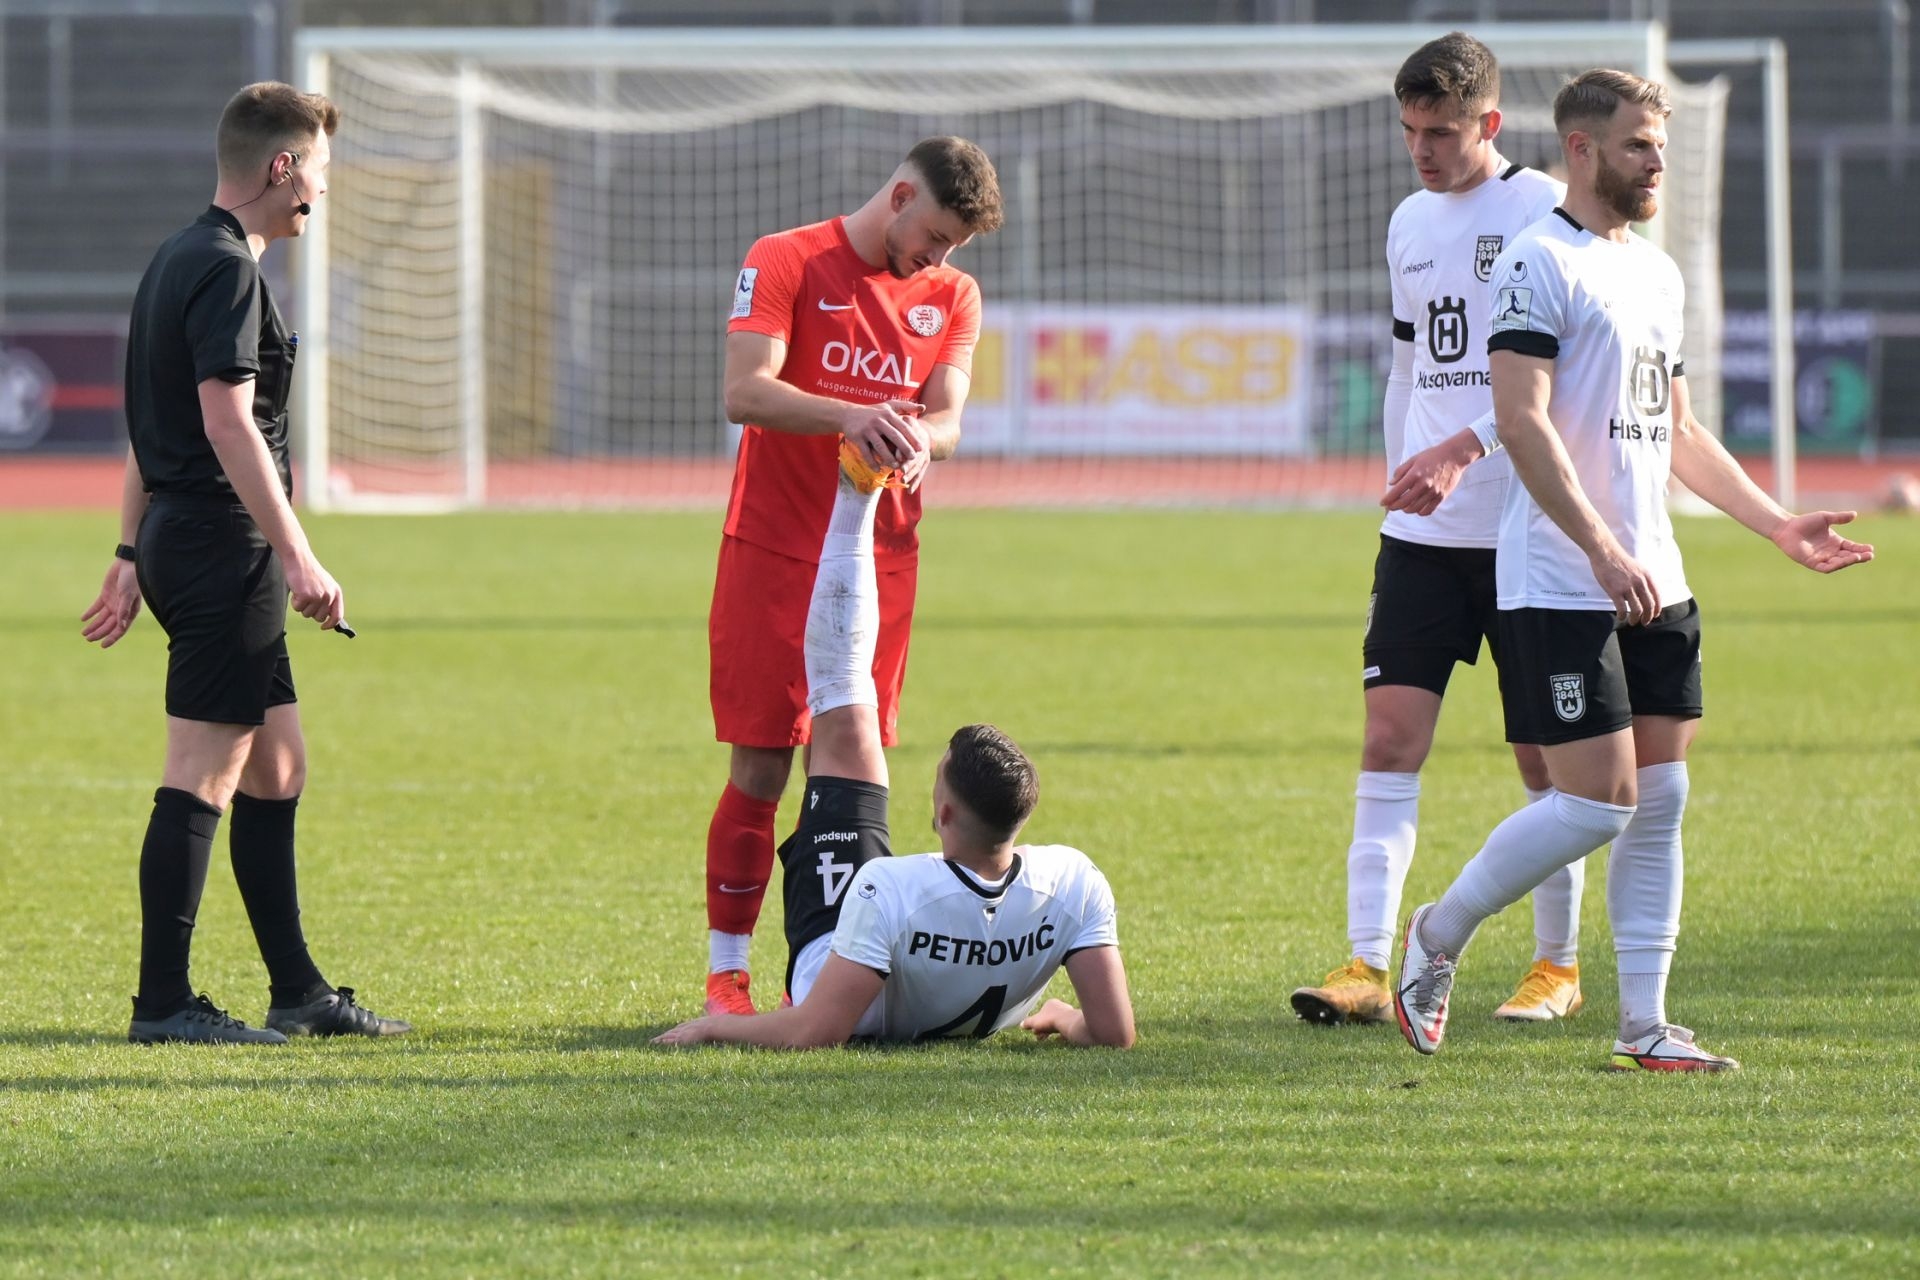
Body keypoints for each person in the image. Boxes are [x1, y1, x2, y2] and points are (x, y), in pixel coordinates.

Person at [1393, 69, 1873, 1071]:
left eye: (1660, 145)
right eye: (1639, 145)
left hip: (1657, 574)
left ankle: (1644, 1025)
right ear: (1582, 149)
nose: (1658, 162)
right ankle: (1439, 930)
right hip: (1563, 577)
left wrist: (1775, 524)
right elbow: (1522, 421)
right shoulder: (1535, 262)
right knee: (1596, 801)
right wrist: (1601, 549)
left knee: (1661, 800)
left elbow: (1680, 430)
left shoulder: (1656, 274)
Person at [80, 82, 410, 1045]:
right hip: (223, 546)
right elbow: (227, 423)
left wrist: (129, 551)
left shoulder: (176, 256)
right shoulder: (226, 270)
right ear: (283, 168)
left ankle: (298, 992)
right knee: (203, 772)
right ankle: (163, 1005)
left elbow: (150, 427)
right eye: (321, 171)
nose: (323, 191)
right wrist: (299, 555)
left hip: (188, 541)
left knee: (279, 765)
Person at [1291, 32, 1585, 1029]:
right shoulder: (1408, 221)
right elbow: (1409, 366)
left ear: (1489, 123)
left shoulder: (1544, 210)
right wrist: (1398, 474)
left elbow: (1556, 383)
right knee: (1388, 740)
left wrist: (1467, 449)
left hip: (1525, 528)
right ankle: (1365, 964)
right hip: (1424, 540)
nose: (1422, 149)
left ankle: (1556, 965)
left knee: (1545, 761)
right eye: (1410, 130)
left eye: (1443, 131)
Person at [655, 454, 1135, 1049]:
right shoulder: (1074, 883)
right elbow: (1115, 1033)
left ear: (944, 813)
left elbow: (814, 1031)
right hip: (956, 994)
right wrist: (1064, 1016)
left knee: (847, 714)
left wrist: (715, 1028)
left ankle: (855, 493)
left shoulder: (886, 887)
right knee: (850, 720)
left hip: (834, 990)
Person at [699, 137, 1002, 1016]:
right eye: (935, 237)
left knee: (849, 770)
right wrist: (854, 415)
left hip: (880, 560)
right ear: (900, 196)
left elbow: (948, 420)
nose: (938, 258)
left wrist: (919, 439)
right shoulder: (786, 258)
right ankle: (727, 977)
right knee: (762, 766)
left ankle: (829, 975)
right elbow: (744, 392)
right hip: (773, 550)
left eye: (954, 248)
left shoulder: (953, 295)